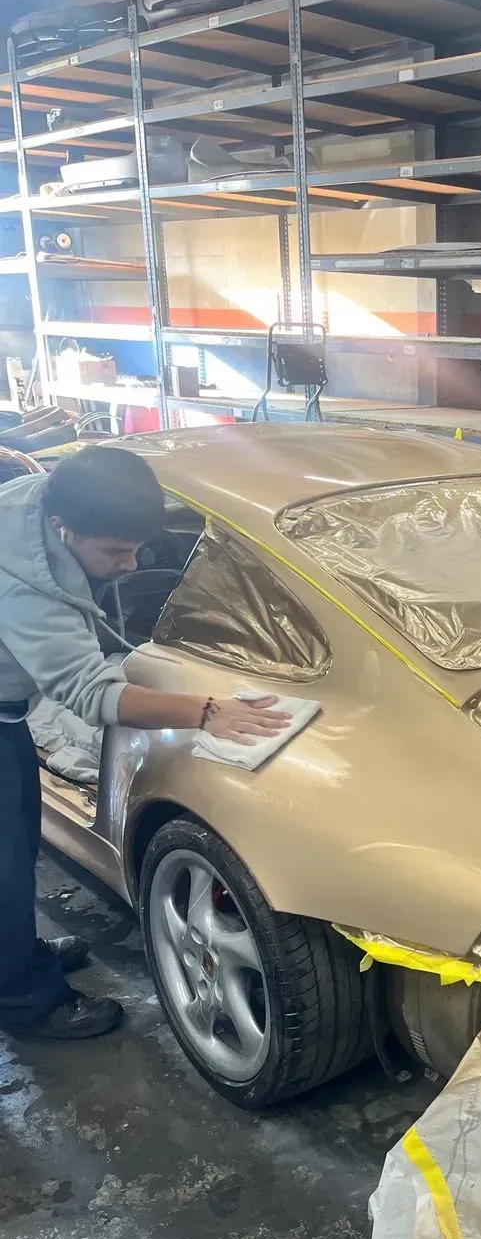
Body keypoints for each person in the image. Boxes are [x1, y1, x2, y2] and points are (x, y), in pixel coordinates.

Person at [0, 444, 288, 1040]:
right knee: (1, 864)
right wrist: (206, 712)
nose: (131, 566)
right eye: (114, 552)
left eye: (136, 547)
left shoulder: (42, 498)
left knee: (19, 839)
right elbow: (91, 693)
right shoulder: (23, 585)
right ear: (64, 528)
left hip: (7, 711)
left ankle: (17, 957)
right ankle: (26, 999)